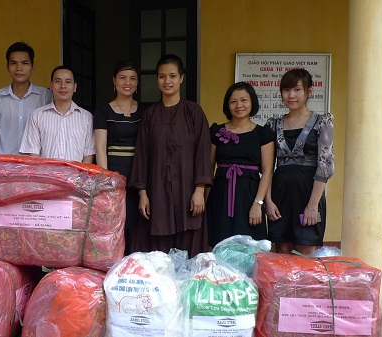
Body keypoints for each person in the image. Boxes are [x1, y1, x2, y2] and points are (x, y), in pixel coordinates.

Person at [129, 54, 212, 258]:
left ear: (181, 78)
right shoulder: (150, 115)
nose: (167, 81)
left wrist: (199, 190)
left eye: (173, 76)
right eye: (162, 76)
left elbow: (203, 152)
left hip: (187, 191)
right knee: (158, 248)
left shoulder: (194, 112)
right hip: (157, 192)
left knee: (190, 248)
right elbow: (142, 154)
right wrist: (142, 193)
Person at [265, 68, 334, 255]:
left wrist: (312, 206)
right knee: (282, 254)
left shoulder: (323, 122)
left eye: (297, 89)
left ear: (308, 92)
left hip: (308, 195)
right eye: (286, 90)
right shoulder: (272, 124)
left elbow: (325, 167)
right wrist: (268, 201)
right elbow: (267, 168)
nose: (291, 95)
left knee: (305, 257)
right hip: (280, 197)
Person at [205, 82, 275, 247]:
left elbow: (267, 171)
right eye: (233, 101)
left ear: (252, 103)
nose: (239, 105)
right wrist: (204, 200)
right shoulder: (216, 131)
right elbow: (208, 169)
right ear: (227, 105)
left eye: (244, 100)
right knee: (218, 246)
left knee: (251, 250)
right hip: (220, 198)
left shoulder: (263, 133)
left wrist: (258, 204)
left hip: (250, 198)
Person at [94, 60, 143, 255]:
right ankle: (113, 264)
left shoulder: (145, 111)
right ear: (114, 81)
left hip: (138, 171)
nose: (127, 82)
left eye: (132, 78)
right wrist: (107, 178)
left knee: (136, 223)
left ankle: (134, 263)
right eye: (122, 77)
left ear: (138, 82)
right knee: (114, 221)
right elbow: (100, 146)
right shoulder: (103, 110)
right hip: (113, 171)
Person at [0, 42, 53, 154]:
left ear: (32, 66)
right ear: (7, 66)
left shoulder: (46, 96)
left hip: (36, 166)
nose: (19, 68)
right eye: (14, 63)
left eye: (24, 63)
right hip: (5, 167)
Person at [19, 65, 95, 163]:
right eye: (58, 81)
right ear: (51, 85)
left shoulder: (87, 118)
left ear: (75, 87)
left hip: (77, 177)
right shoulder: (37, 116)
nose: (63, 86)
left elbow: (88, 154)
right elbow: (33, 154)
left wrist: (81, 178)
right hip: (46, 177)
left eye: (68, 82)